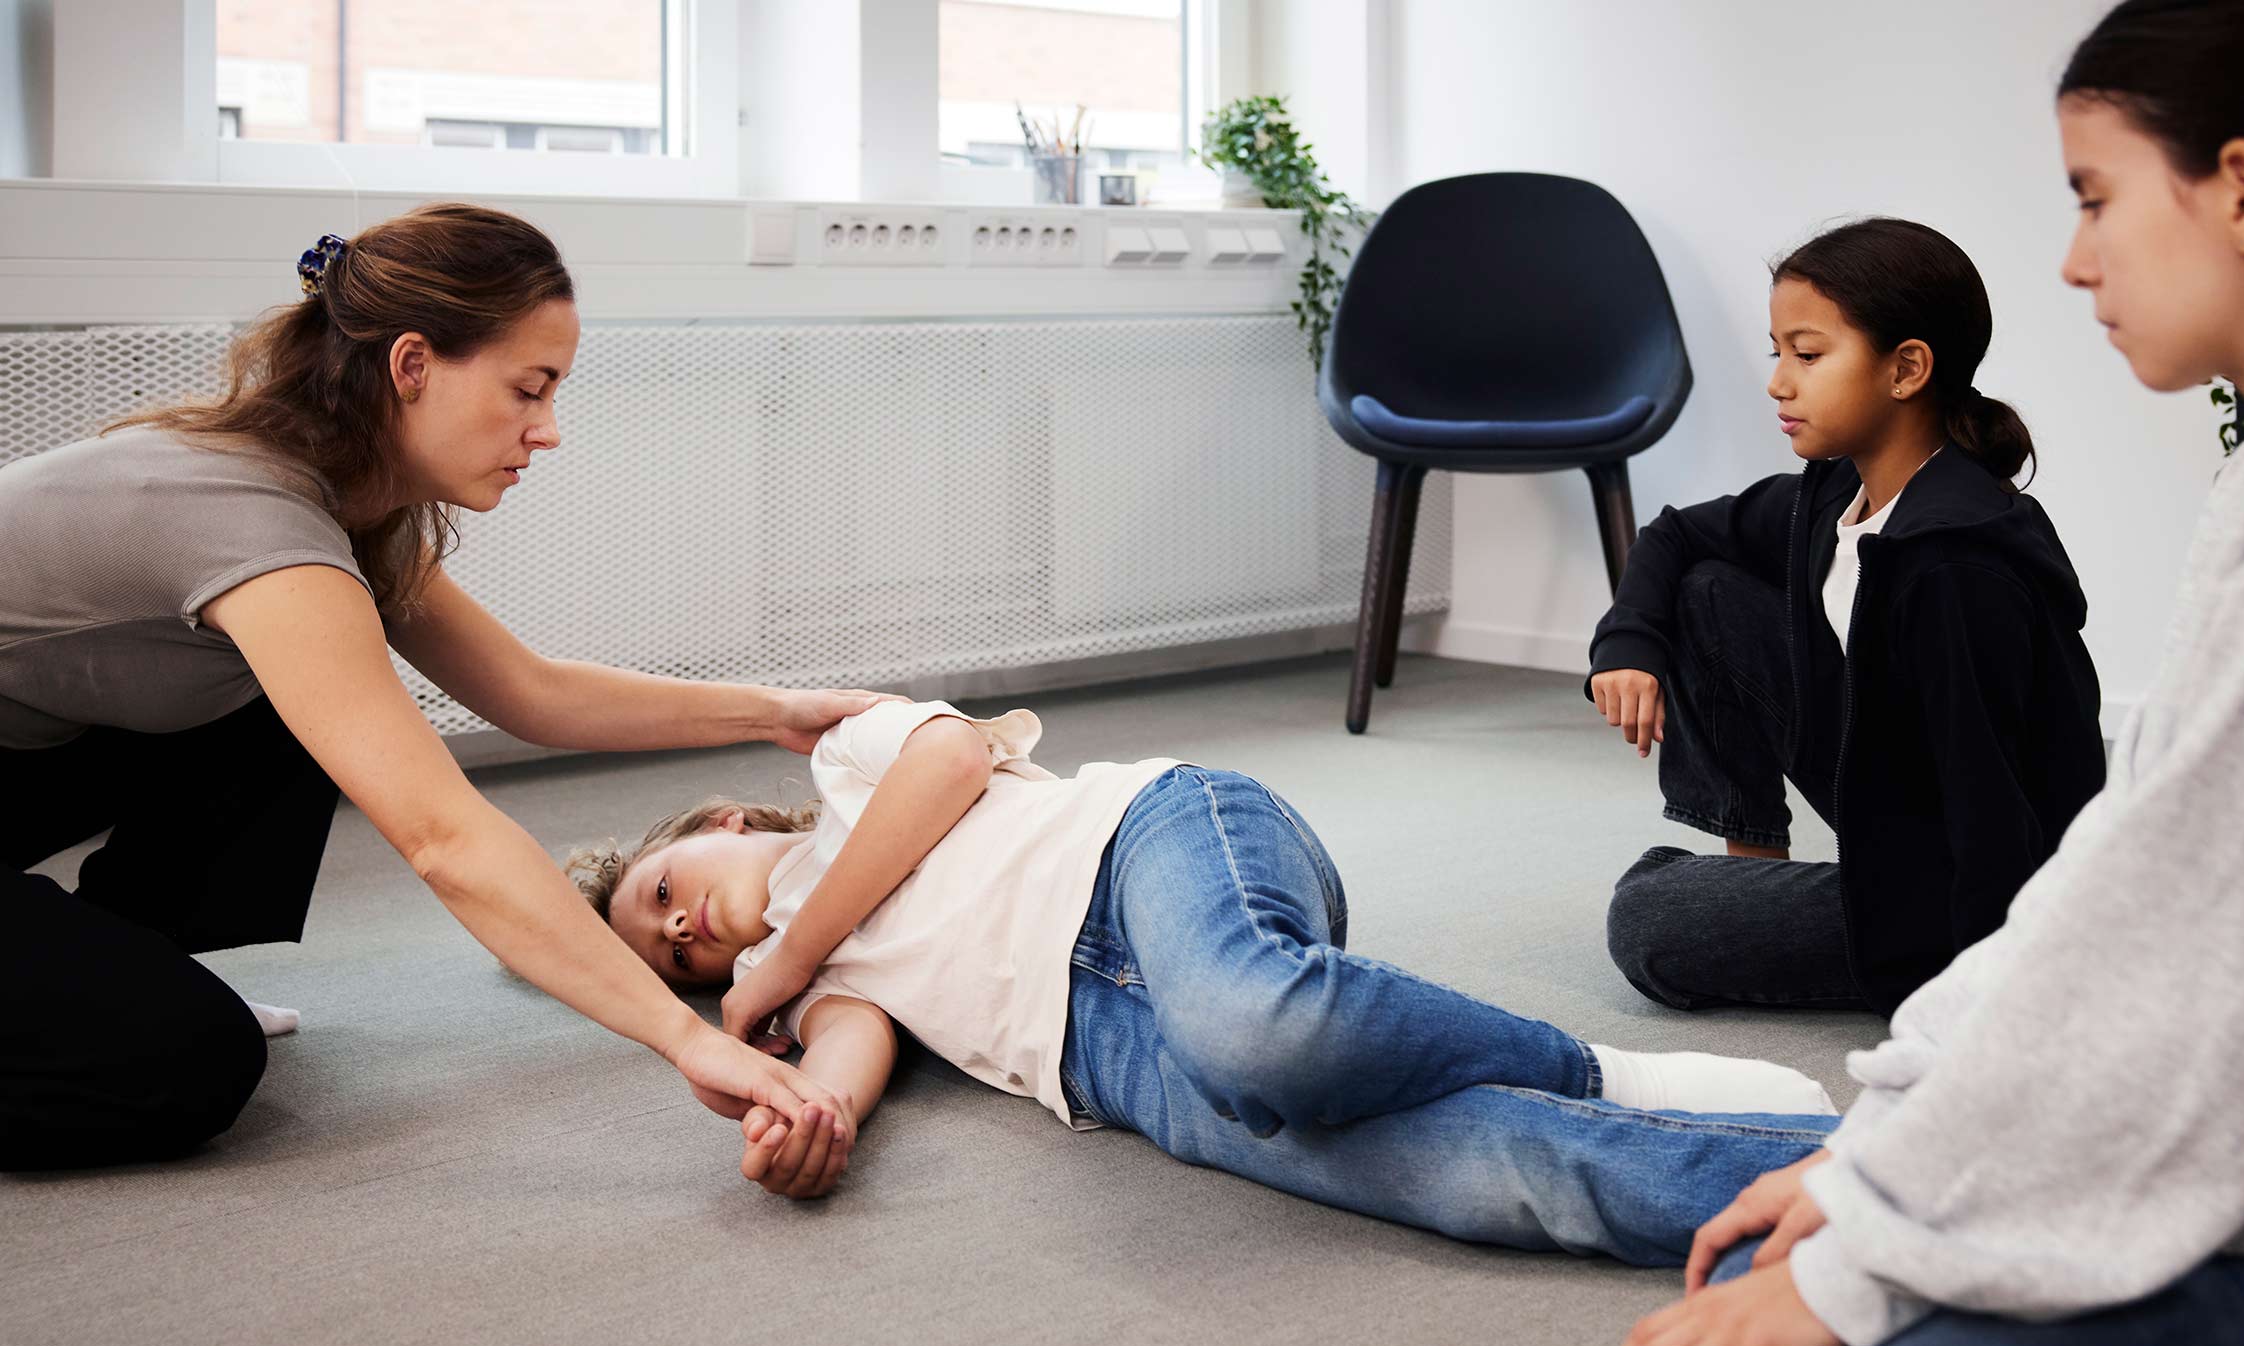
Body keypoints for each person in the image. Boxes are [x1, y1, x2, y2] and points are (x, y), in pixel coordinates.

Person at [1627, 1, 2244, 1345]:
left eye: (2096, 200)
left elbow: (2189, 969)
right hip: (1997, 971)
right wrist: (1890, 1146)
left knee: (1671, 964)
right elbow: (2139, 868)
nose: (2075, 261)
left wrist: (1872, 1239)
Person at [0, 203, 893, 1181]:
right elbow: (444, 837)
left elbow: (530, 692)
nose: (547, 431)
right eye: (528, 389)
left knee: (299, 700)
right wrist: (685, 1041)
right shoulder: (254, 529)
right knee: (186, 1064)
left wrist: (778, 712)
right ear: (413, 365)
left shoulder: (336, 505)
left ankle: (126, 952)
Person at [567, 695, 1838, 1254]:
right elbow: (855, 1048)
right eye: (677, 957)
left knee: (1255, 1029)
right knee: (1468, 1178)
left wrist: (783, 947)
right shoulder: (818, 987)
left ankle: (1599, 1068)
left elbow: (951, 763)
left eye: (664, 897)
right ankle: (1825, 1184)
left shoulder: (846, 771)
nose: (687, 936)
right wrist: (817, 1110)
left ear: (723, 822)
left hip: (1155, 850)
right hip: (1110, 1063)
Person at [1588, 217, 2105, 1017]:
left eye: (1809, 353)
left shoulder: (1952, 565)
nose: (1778, 382)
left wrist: (1992, 997)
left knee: (1648, 921)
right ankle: (1747, 860)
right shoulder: (1833, 492)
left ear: (1906, 369)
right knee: (1706, 591)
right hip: (1895, 797)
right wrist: (1627, 646)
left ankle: (1735, 894)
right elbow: (1676, 533)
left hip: (1983, 895)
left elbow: (1992, 801)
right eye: (1777, 352)